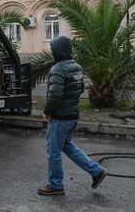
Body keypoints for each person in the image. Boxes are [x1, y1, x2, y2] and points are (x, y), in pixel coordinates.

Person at [38, 35, 108, 196]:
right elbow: (80, 89)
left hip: (60, 118)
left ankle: (55, 185)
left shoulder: (58, 69)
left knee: (53, 152)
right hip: (72, 116)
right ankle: (97, 172)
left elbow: (55, 96)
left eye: (53, 49)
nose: (52, 52)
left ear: (58, 51)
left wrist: (48, 111)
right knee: (68, 146)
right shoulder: (76, 67)